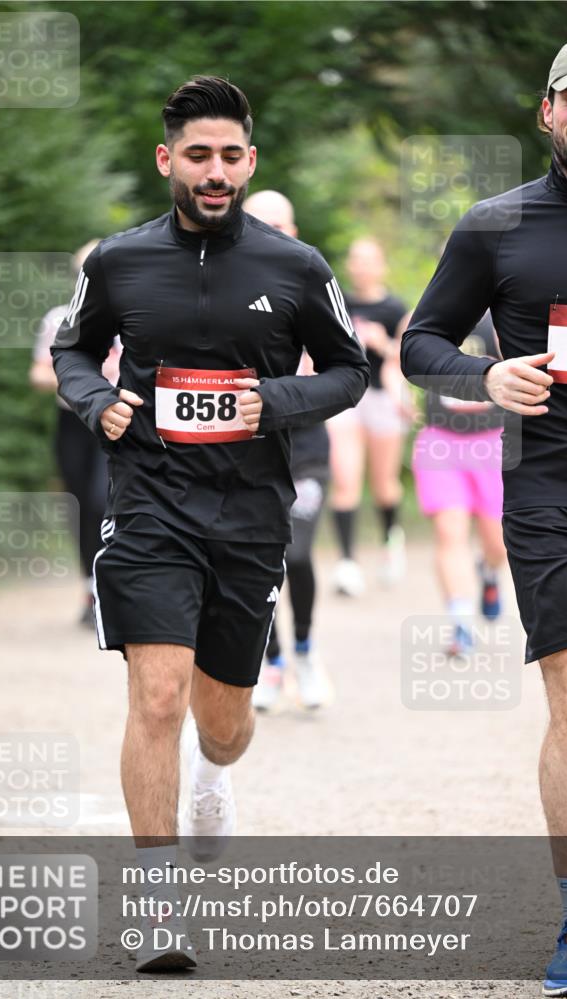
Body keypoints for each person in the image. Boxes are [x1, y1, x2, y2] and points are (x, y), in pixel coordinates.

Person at [51, 76, 368, 971]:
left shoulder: (295, 268)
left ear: (250, 161)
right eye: (198, 154)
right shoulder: (117, 261)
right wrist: (93, 399)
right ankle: (156, 910)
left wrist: (273, 401)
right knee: (155, 695)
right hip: (148, 503)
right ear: (168, 161)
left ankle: (215, 777)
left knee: (221, 722)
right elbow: (71, 348)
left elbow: (350, 372)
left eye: (231, 155)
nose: (215, 170)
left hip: (247, 512)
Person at [401, 39, 567, 998]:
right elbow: (418, 345)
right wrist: (485, 374)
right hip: (550, 492)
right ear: (546, 113)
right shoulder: (498, 226)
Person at [242, 189, 331, 711]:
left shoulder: (313, 286)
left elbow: (346, 370)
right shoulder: (218, 289)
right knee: (260, 561)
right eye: (261, 223)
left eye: (281, 224)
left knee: (294, 552)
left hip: (307, 452)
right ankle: (271, 659)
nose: (272, 232)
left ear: (294, 231)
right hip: (249, 454)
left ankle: (304, 649)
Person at [29, 241, 121, 625]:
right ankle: (90, 589)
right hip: (72, 423)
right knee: (81, 505)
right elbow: (38, 373)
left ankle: (112, 585)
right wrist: (78, 382)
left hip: (115, 423)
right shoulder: (59, 319)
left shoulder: (132, 317)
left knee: (103, 502)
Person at [411, 312, 507, 656]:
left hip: (494, 441)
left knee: (498, 544)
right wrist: (397, 393)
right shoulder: (426, 316)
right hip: (441, 442)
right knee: (450, 534)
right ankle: (462, 625)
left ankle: (489, 572)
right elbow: (397, 359)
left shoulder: (503, 318)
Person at [327, 237, 410, 595]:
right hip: (346, 400)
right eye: (356, 259)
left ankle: (391, 542)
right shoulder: (338, 303)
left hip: (383, 400)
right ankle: (347, 562)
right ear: (349, 265)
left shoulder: (396, 309)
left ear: (382, 266)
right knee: (345, 480)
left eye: (369, 260)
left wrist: (382, 344)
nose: (362, 266)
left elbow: (407, 358)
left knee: (383, 485)